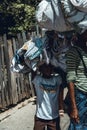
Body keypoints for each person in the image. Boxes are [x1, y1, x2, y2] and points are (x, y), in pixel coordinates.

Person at [66, 30, 87, 130]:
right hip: (80, 96)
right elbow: (70, 79)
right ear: (80, 33)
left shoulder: (85, 50)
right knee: (78, 126)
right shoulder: (73, 51)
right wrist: (74, 107)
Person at [32, 63, 64, 130]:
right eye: (45, 67)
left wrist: (61, 107)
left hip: (54, 117)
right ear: (41, 69)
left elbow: (61, 92)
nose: (48, 69)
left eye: (50, 67)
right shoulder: (38, 80)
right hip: (40, 116)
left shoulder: (57, 79)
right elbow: (32, 69)